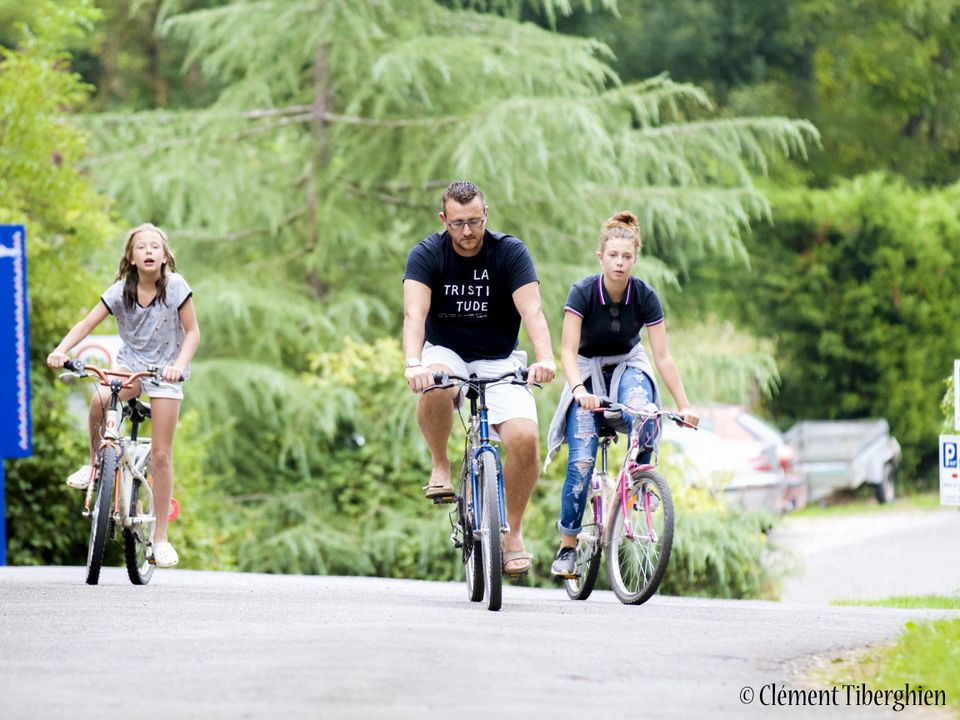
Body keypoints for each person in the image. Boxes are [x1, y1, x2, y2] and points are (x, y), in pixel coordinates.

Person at [403, 180, 556, 577]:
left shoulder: (509, 253)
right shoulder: (426, 254)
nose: (467, 232)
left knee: (524, 439)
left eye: (474, 222)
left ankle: (513, 533)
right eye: (457, 224)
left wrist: (546, 358)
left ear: (486, 215)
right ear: (444, 219)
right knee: (435, 380)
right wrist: (412, 363)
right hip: (446, 352)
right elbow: (414, 315)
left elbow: (533, 312)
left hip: (499, 358)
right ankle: (440, 465)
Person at [544, 211, 698, 578]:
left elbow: (662, 355)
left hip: (628, 364)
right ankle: (568, 546)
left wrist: (684, 404)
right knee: (581, 462)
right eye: (613, 255)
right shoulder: (582, 292)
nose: (620, 262)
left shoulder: (645, 296)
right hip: (586, 371)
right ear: (601, 256)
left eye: (627, 257)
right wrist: (579, 391)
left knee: (644, 413)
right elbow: (566, 351)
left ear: (635, 259)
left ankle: (640, 479)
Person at [47, 223, 200, 569]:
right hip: (131, 367)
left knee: (161, 455)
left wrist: (177, 365)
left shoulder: (176, 287)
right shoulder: (120, 290)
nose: (148, 251)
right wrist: (61, 350)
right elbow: (86, 324)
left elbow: (192, 333)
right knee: (100, 398)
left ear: (164, 256)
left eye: (155, 247)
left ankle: (160, 538)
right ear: (131, 257)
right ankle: (94, 463)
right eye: (141, 247)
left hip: (165, 373)